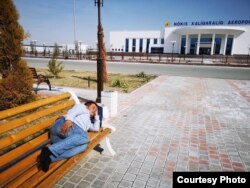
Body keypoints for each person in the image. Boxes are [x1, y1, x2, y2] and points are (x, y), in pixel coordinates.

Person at [39, 101, 100, 172]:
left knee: (83, 147)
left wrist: (96, 116)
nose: (94, 110)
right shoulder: (83, 108)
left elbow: (96, 128)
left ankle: (49, 158)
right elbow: (74, 111)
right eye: (93, 107)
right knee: (85, 138)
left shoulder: (88, 121)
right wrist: (69, 120)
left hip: (61, 139)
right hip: (64, 126)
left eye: (96, 110)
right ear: (87, 106)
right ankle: (49, 151)